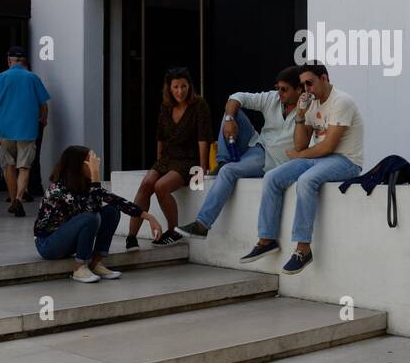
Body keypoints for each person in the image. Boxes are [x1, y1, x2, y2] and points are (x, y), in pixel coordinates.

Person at [240, 63, 364, 274]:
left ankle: (303, 249)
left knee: (306, 180)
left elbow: (328, 146)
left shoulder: (341, 102)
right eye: (303, 85)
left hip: (346, 161)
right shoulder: (310, 104)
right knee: (272, 177)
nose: (306, 89)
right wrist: (300, 114)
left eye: (310, 83)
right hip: (320, 158)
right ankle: (266, 239)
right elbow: (300, 144)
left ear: (324, 79)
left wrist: (300, 156)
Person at [179, 65, 303, 239]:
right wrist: (230, 119)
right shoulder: (272, 98)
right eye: (278, 88)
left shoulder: (307, 108)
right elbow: (236, 97)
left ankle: (202, 225)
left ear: (298, 89)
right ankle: (223, 160)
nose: (279, 93)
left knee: (228, 171)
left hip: (272, 160)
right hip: (257, 146)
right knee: (230, 112)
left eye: (284, 89)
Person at [35, 145, 162, 282]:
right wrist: (95, 176)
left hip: (69, 239)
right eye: (91, 161)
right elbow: (91, 210)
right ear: (78, 165)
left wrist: (149, 217)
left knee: (112, 211)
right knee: (91, 217)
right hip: (48, 245)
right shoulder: (58, 190)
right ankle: (79, 268)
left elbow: (115, 201)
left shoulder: (83, 184)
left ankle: (96, 263)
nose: (97, 163)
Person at [124, 68, 210, 248]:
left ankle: (173, 231)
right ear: (169, 88)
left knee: (160, 186)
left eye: (184, 86)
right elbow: (160, 137)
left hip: (188, 159)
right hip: (167, 158)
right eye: (176, 87)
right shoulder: (166, 106)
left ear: (189, 86)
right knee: (147, 184)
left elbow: (203, 138)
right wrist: (158, 164)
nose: (180, 91)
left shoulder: (199, 105)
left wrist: (202, 168)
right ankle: (132, 236)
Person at [0, 46, 50, 217]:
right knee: (24, 166)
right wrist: (43, 119)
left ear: (9, 60)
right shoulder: (32, 78)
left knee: (9, 164)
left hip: (6, 129)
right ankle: (18, 198)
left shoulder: (0, 78)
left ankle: (12, 196)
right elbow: (43, 105)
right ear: (24, 62)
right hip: (28, 129)